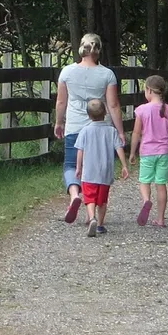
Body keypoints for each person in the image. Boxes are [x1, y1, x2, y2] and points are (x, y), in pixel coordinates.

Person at [54, 33, 121, 223]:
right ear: (98, 50)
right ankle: (95, 210)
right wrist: (120, 132)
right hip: (100, 128)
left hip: (75, 126)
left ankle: (75, 194)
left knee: (70, 165)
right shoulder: (107, 74)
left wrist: (59, 122)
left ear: (81, 48)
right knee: (95, 168)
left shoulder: (67, 72)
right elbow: (113, 105)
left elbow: (61, 101)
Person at [73, 97, 129, 237]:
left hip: (89, 172)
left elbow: (80, 151)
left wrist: (78, 167)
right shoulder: (111, 131)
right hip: (105, 172)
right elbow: (119, 148)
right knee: (102, 201)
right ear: (105, 113)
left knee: (90, 198)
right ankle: (100, 225)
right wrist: (124, 165)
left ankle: (92, 218)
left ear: (88, 115)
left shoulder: (85, 131)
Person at [130, 74, 168, 227]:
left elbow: (136, 133)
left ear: (149, 90)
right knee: (161, 185)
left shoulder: (142, 110)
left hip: (147, 152)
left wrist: (132, 152)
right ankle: (160, 219)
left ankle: (146, 200)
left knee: (144, 181)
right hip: (164, 152)